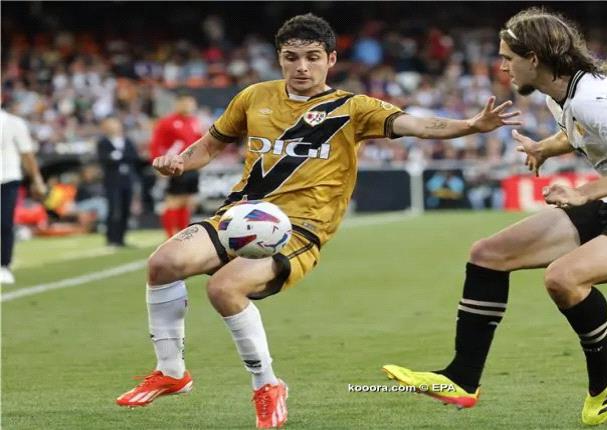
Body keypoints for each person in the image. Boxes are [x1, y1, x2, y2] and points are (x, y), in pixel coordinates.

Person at [115, 13, 520, 429]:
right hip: (239, 215)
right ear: (279, 58)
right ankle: (172, 372)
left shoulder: (353, 108)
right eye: (291, 58)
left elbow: (417, 124)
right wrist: (180, 162)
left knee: (224, 288)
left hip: (298, 230)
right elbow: (209, 145)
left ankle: (267, 385)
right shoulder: (254, 96)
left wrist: (470, 126)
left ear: (331, 59)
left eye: (312, 57)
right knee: (162, 263)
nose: (302, 67)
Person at [382, 7, 607, 426]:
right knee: (488, 255)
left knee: (563, 278)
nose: (501, 66)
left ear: (534, 58)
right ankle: (461, 379)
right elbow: (580, 133)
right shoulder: (568, 93)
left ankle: (606, 372)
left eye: (507, 57)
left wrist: (581, 192)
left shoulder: (597, 98)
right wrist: (544, 148)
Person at [1, 107, 47, 284]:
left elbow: (26, 154)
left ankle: (4, 265)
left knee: (5, 223)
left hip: (7, 178)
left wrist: (36, 179)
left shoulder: (14, 123)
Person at [149, 93, 203, 237]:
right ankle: (170, 236)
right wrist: (158, 164)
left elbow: (199, 142)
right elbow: (156, 144)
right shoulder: (167, 122)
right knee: (174, 201)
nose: (188, 106)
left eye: (190, 103)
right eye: (185, 103)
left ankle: (181, 234)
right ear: (177, 104)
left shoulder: (194, 121)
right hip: (174, 165)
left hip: (191, 166)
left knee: (187, 201)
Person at [97, 117, 140, 247]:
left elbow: (134, 157)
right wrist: (119, 157)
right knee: (113, 209)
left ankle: (121, 239)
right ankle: (111, 239)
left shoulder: (127, 141)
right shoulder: (103, 142)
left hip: (127, 180)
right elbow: (103, 159)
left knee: (126, 209)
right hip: (112, 181)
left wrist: (117, 156)